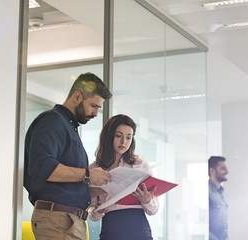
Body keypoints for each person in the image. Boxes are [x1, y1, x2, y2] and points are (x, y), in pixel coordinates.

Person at [24, 72, 113, 240]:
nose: (95, 113)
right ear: (77, 96)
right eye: (93, 106)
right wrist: (88, 175)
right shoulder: (52, 121)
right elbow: (42, 167)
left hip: (69, 222)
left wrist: (92, 192)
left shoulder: (68, 127)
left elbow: (63, 182)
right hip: (58, 221)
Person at [88, 114, 159, 240]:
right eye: (118, 136)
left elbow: (153, 210)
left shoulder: (141, 164)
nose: (123, 142)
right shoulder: (95, 170)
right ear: (109, 136)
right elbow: (91, 213)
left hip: (139, 229)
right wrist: (98, 211)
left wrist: (146, 200)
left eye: (128, 137)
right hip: (111, 229)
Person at [208, 156, 229, 240]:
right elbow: (203, 224)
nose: (227, 171)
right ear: (212, 171)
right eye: (223, 168)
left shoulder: (222, 192)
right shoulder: (206, 191)